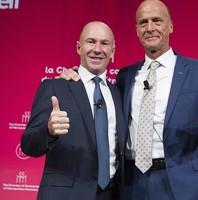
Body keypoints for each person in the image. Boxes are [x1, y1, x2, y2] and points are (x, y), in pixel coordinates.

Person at [61, 0, 198, 200]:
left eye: (157, 21)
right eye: (143, 22)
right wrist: (77, 77)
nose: (150, 28)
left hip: (184, 185)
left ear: (170, 26)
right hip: (132, 184)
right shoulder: (125, 76)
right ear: (137, 30)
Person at [21, 21, 126, 200]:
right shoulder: (55, 87)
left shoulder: (118, 92)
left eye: (104, 43)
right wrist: (49, 131)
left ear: (113, 51)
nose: (97, 49)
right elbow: (28, 145)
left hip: (111, 194)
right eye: (90, 42)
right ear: (79, 47)